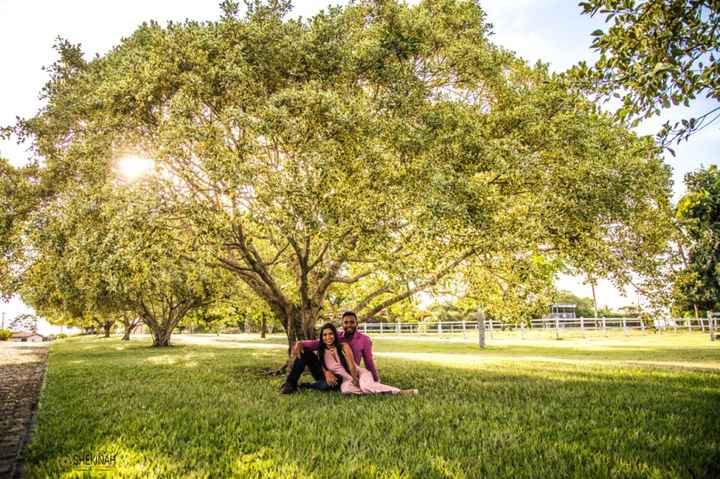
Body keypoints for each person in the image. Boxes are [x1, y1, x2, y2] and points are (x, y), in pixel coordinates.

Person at [279, 310, 397, 394]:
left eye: (352, 322)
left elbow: (369, 362)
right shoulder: (336, 336)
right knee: (305, 352)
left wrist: (375, 380)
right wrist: (300, 343)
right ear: (342, 324)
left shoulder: (364, 340)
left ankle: (308, 386)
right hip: (325, 370)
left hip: (343, 375)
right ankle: (290, 384)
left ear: (356, 323)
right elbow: (316, 343)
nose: (349, 325)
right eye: (346, 322)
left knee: (335, 383)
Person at [315, 322, 417, 395]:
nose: (328, 337)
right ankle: (374, 390)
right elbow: (324, 367)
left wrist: (355, 379)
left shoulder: (343, 346)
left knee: (365, 386)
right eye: (325, 335)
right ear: (321, 337)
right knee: (345, 390)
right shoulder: (320, 352)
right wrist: (326, 373)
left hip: (359, 374)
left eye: (330, 334)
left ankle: (400, 392)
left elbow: (351, 365)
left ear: (335, 335)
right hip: (346, 380)